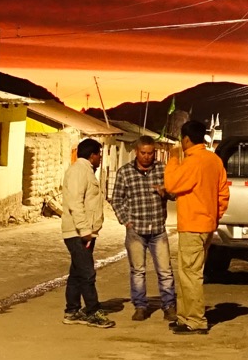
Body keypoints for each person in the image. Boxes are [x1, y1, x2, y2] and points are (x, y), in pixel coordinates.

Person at [160, 118, 230, 335]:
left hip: (192, 225)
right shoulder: (214, 160)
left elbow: (171, 184)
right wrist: (214, 217)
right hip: (206, 225)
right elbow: (223, 194)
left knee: (190, 274)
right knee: (187, 273)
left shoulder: (193, 162)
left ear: (186, 139)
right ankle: (184, 317)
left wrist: (173, 159)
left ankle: (196, 321)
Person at [107, 136, 172, 320]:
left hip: (158, 229)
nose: (146, 156)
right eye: (143, 153)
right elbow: (117, 199)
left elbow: (175, 193)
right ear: (136, 152)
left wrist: (166, 192)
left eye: (150, 153)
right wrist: (126, 221)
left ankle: (169, 305)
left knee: (165, 271)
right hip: (136, 230)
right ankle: (140, 306)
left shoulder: (162, 170)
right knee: (138, 271)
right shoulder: (125, 172)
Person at [59, 138, 115, 328]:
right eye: (99, 155)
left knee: (77, 273)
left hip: (84, 231)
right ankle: (92, 312)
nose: (100, 158)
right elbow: (75, 202)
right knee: (87, 273)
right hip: (77, 232)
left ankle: (72, 311)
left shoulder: (86, 170)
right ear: (92, 155)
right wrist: (84, 229)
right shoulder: (79, 171)